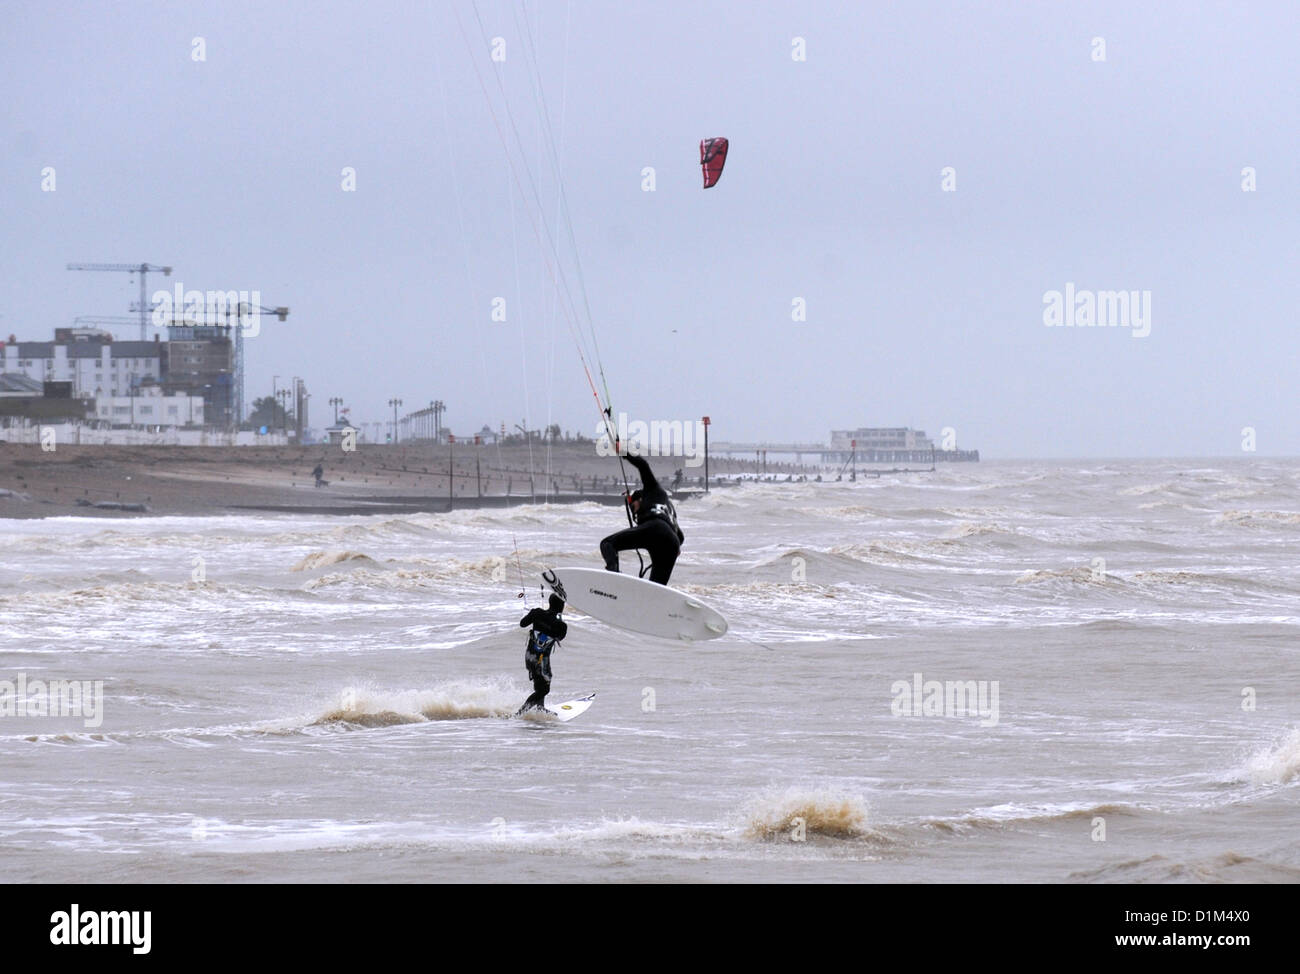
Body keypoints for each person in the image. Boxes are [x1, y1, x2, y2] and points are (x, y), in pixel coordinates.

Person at [599, 450, 684, 585]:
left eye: (633, 506)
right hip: (672, 544)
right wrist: (676, 548)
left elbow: (642, 465)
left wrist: (623, 452)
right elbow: (681, 537)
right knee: (655, 588)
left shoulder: (652, 490)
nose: (634, 512)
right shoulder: (667, 506)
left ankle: (613, 579)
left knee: (607, 544)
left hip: (655, 529)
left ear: (640, 499)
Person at [516, 594, 567, 715]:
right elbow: (560, 637)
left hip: (529, 656)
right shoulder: (561, 625)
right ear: (562, 607)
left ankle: (540, 708)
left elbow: (522, 623)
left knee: (540, 685)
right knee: (544, 689)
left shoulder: (537, 613)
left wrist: (533, 615)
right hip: (541, 660)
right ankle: (520, 713)